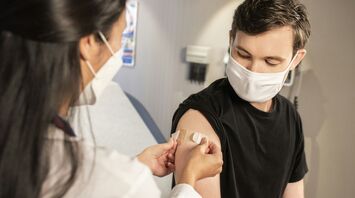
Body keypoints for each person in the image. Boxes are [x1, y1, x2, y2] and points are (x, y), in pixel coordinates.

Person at [0, 0, 223, 198]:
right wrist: (187, 181)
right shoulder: (122, 183)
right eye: (123, 34)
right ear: (88, 43)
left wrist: (136, 165)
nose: (118, 48)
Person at [171, 0, 311, 197]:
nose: (253, 71)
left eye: (270, 61)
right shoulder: (200, 116)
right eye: (243, 54)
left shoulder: (291, 118)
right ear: (231, 40)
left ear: (296, 59)